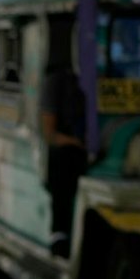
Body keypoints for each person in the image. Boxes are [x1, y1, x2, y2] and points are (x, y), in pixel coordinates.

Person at [41, 50, 88, 259]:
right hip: (67, 154)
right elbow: (49, 133)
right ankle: (60, 236)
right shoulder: (58, 83)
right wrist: (76, 142)